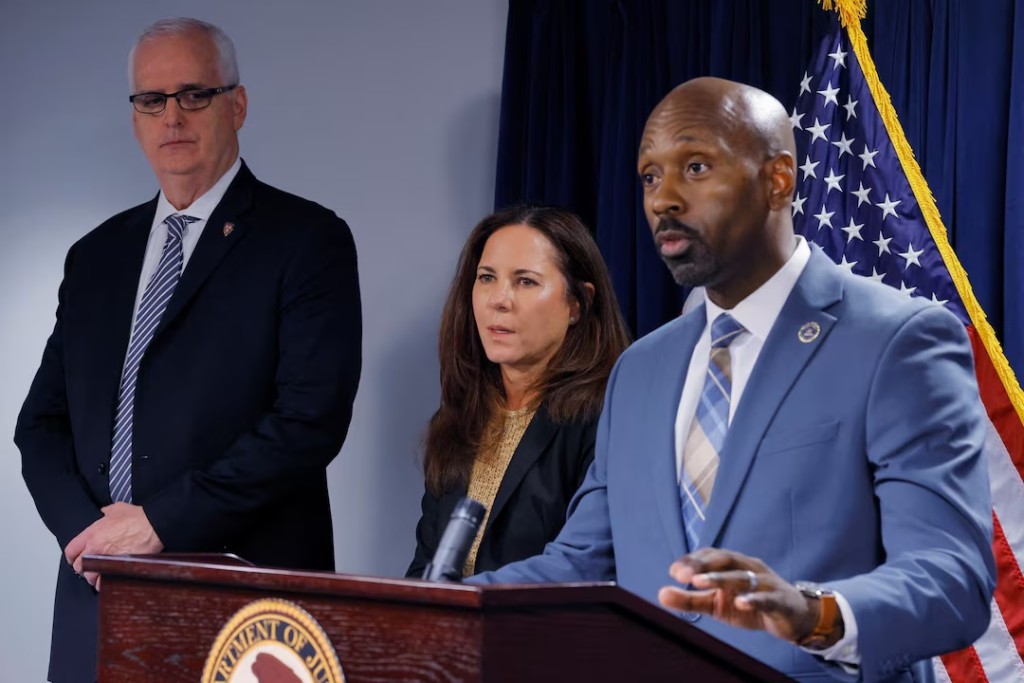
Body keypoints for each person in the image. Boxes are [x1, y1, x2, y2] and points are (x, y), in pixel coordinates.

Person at [468, 78, 994, 682]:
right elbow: (580, 561)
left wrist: (811, 613)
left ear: (778, 180)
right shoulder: (640, 369)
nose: (663, 198)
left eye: (694, 167)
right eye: (648, 176)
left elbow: (952, 579)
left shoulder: (899, 340)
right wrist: (436, 610)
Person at [14, 18, 361, 682]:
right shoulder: (95, 257)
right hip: (98, 597)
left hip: (242, 607)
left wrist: (159, 522)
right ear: (136, 118)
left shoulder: (306, 240)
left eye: (193, 94)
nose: (171, 115)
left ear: (237, 104)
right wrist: (86, 537)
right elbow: (41, 424)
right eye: (152, 100)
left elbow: (309, 421)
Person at [407, 205, 630, 578]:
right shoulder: (457, 419)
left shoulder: (607, 417)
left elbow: (586, 570)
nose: (499, 299)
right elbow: (423, 570)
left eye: (525, 281)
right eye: (487, 277)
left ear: (578, 304)